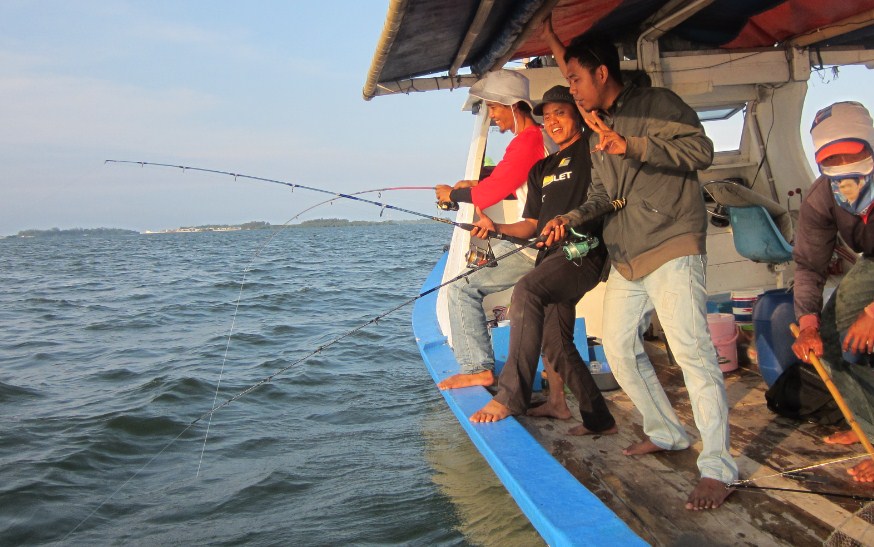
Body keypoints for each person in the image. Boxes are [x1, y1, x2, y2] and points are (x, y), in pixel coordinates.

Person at [539, 32, 738, 510]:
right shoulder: (595, 132)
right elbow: (604, 196)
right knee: (620, 347)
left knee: (692, 354)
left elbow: (700, 152)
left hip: (672, 242)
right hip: (628, 254)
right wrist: (570, 218)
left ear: (601, 74)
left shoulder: (657, 105)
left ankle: (717, 467)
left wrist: (631, 144)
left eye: (575, 79)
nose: (572, 90)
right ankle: (667, 432)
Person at [467, 85, 616, 437]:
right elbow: (530, 225)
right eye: (547, 117)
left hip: (583, 252)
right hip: (549, 259)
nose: (552, 122)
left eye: (560, 114)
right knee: (556, 341)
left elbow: (606, 196)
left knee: (527, 290)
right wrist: (496, 226)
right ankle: (599, 418)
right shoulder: (542, 169)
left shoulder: (592, 150)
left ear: (577, 115)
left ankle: (511, 395)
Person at [435, 69, 547, 390]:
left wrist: (452, 195)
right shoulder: (534, 139)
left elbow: (489, 194)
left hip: (532, 244)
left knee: (461, 288)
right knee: (473, 271)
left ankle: (477, 367)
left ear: (513, 105)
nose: (494, 116)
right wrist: (480, 176)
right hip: (533, 238)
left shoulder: (527, 141)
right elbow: (509, 178)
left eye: (495, 108)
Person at [791, 101, 874, 483]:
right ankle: (868, 429)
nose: (841, 167)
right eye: (830, 159)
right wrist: (807, 322)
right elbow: (809, 265)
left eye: (851, 153)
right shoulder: (822, 196)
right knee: (827, 337)